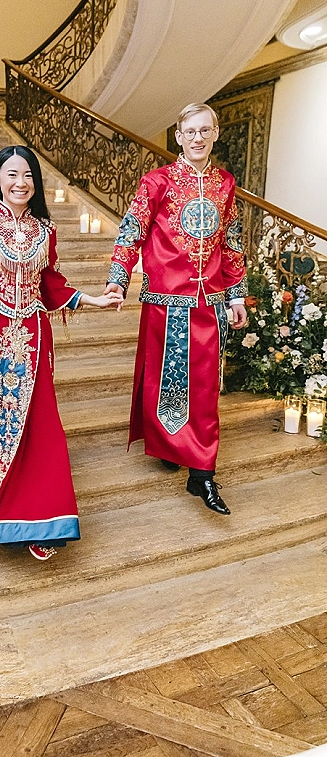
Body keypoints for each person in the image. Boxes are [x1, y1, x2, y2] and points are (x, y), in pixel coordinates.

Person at [0, 145, 121, 560]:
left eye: (28, 176)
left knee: (39, 419)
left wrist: (92, 299)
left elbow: (51, 282)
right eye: (11, 174)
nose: (20, 183)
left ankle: (48, 516)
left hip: (34, 334)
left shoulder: (45, 230)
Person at [104, 103, 247, 514]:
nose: (198, 138)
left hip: (210, 301)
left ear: (215, 134)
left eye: (206, 130)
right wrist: (119, 277)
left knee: (203, 387)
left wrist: (236, 294)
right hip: (166, 299)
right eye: (190, 131)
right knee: (164, 381)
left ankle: (202, 474)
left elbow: (231, 239)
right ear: (179, 137)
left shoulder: (224, 185)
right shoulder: (157, 182)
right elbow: (131, 231)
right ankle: (171, 444)